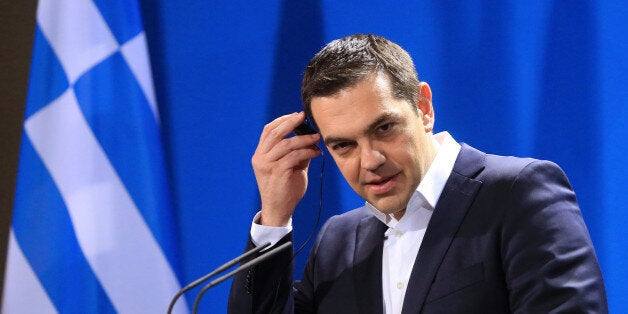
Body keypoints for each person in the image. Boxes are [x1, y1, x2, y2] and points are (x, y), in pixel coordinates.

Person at [228, 34, 607, 313]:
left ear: (423, 108)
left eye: (384, 129)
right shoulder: (338, 243)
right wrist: (275, 219)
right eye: (343, 145)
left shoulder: (516, 193)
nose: (370, 159)